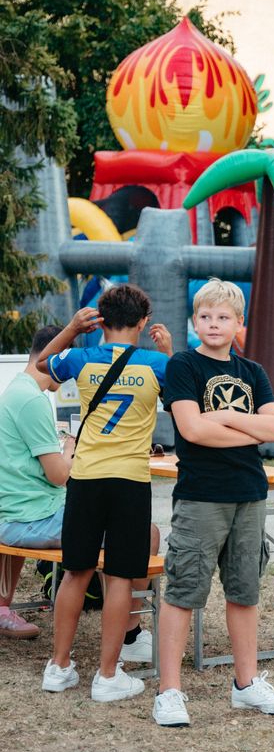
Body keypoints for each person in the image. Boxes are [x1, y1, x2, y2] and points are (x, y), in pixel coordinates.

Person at [154, 279, 274, 727]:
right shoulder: (183, 365)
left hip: (249, 494)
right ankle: (169, 691)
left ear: (239, 323)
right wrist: (250, 429)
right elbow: (192, 430)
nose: (214, 324)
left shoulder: (253, 371)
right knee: (183, 591)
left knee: (244, 591)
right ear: (194, 322)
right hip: (201, 495)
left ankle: (246, 684)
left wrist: (228, 415)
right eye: (206, 316)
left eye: (223, 317)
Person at [36, 285, 172, 699]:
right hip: (130, 479)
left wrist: (71, 330)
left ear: (100, 320)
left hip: (86, 477)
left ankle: (59, 666)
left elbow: (42, 364)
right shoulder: (158, 365)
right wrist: (168, 351)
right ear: (143, 322)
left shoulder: (81, 357)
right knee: (119, 577)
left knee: (75, 572)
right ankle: (108, 676)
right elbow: (183, 393)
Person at [0, 326, 70, 639]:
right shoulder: (32, 400)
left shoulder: (17, 389)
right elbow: (59, 475)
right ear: (58, 357)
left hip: (16, 513)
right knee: (133, 529)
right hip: (29, 518)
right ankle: (131, 633)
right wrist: (71, 448)